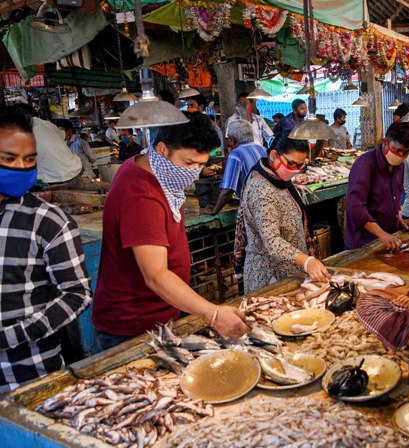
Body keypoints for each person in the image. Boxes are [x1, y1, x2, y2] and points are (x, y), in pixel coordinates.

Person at [92, 112, 250, 350]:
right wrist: (213, 313)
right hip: (132, 325)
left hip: (162, 312)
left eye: (201, 164)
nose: (194, 172)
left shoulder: (151, 164)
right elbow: (155, 275)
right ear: (163, 149)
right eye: (188, 163)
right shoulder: (141, 196)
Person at [0, 106, 92, 392]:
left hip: (28, 376)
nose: (22, 167)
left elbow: (78, 295)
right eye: (9, 158)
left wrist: (10, 337)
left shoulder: (48, 220)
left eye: (29, 159)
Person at [238, 137, 331, 292]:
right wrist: (306, 261)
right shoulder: (261, 189)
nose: (294, 169)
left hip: (288, 272)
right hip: (269, 277)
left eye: (300, 165)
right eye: (291, 164)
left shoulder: (278, 179)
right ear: (274, 156)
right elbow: (272, 241)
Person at [345, 122, 409, 250]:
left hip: (388, 242)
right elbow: (355, 207)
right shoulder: (365, 165)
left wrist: (399, 220)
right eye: (397, 150)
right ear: (386, 142)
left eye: (405, 152)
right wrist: (381, 234)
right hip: (364, 243)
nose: (400, 156)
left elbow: (394, 199)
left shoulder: (399, 166)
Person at [204, 119, 267, 215]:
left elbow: (228, 190)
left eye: (228, 139)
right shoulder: (264, 149)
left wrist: (214, 210)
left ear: (232, 140)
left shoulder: (236, 154)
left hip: (255, 208)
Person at [14, 108, 82, 185]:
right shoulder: (48, 125)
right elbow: (63, 135)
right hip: (75, 168)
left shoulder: (23, 131)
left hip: (53, 178)